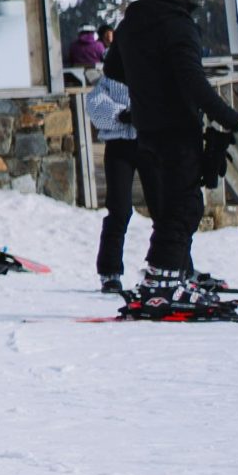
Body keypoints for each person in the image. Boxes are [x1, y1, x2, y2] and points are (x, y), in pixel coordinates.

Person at [106, 0, 238, 277]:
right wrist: (236, 120)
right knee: (184, 206)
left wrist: (147, 81)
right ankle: (163, 275)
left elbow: (113, 69)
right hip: (176, 129)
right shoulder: (179, 25)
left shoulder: (132, 21)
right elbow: (194, 84)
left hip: (145, 128)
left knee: (167, 207)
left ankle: (179, 271)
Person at [75, 26, 140, 293]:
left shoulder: (150, 71)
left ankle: (177, 263)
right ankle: (110, 270)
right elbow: (94, 103)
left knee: (164, 208)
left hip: (146, 141)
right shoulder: (111, 77)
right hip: (119, 145)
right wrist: (120, 114)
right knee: (119, 208)